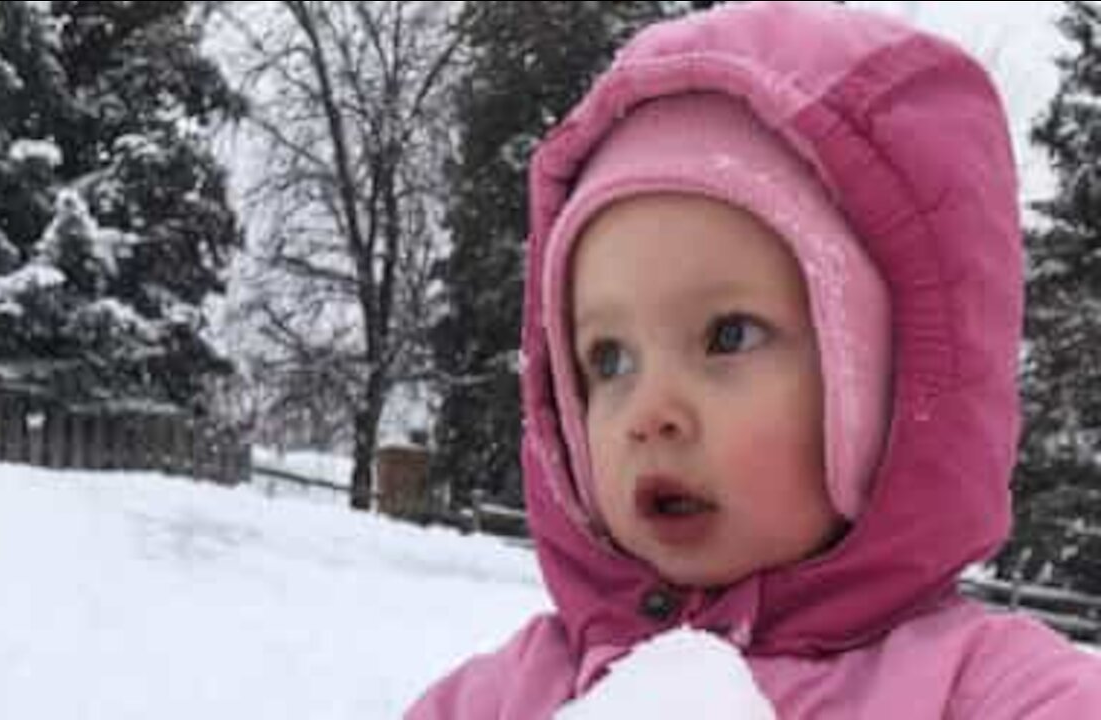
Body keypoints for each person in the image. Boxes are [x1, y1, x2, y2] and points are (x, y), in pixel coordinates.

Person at [407, 2, 1101, 718]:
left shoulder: (991, 695)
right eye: (609, 359)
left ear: (887, 384)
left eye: (727, 336)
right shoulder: (498, 701)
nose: (649, 414)